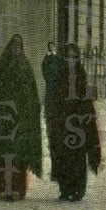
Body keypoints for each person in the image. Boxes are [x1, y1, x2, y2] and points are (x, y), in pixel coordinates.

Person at [0, 34, 43, 201]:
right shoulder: (3, 67)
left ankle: (16, 189)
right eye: (14, 46)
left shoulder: (25, 67)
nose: (16, 49)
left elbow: (31, 94)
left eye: (19, 46)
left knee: (17, 155)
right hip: (3, 119)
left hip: (20, 118)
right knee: (1, 154)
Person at [50, 44, 103, 202]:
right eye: (68, 57)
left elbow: (85, 99)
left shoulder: (81, 75)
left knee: (78, 157)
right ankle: (65, 189)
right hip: (63, 123)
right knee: (63, 156)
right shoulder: (61, 76)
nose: (71, 60)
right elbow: (55, 99)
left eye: (74, 57)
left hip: (78, 123)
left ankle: (78, 190)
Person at [41, 42, 65, 179]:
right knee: (53, 141)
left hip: (60, 111)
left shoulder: (59, 60)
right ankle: (56, 170)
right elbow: (45, 71)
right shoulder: (47, 59)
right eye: (50, 46)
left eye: (53, 46)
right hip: (52, 110)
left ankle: (59, 171)